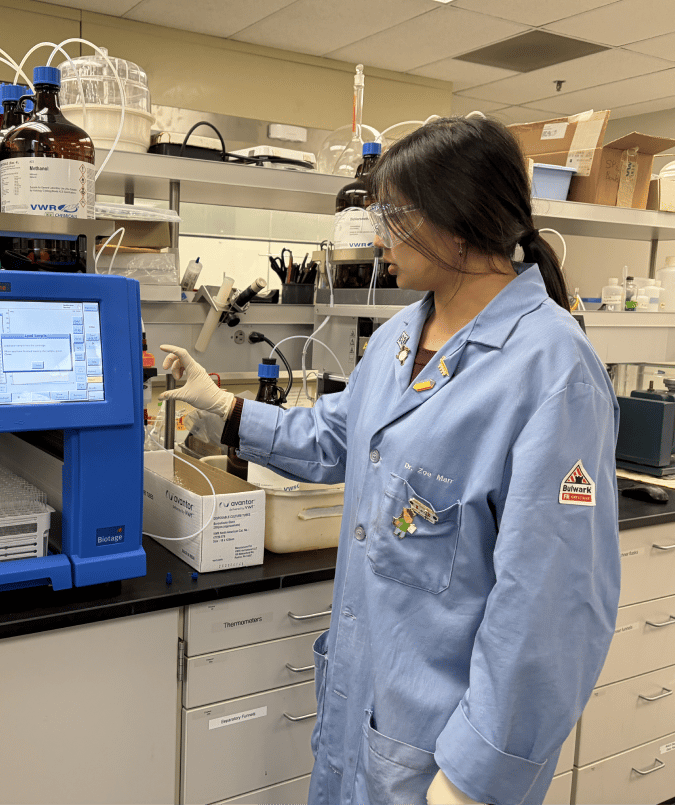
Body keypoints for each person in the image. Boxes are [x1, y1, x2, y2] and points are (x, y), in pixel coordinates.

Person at [159, 115, 620, 805]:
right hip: (363, 719)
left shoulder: (552, 369)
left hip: (446, 754)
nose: (378, 238)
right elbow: (332, 439)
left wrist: (474, 778)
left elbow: (551, 610)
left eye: (393, 217)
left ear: (457, 220)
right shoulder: (403, 335)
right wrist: (222, 410)